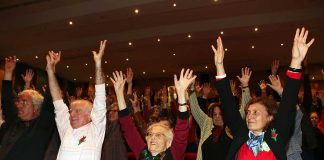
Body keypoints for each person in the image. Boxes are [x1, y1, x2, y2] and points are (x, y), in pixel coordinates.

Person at [212, 27, 314, 160]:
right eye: (248, 112)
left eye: (256, 112)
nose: (250, 116)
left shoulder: (275, 135)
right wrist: (219, 66)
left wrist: (296, 61)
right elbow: (228, 105)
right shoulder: (241, 133)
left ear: (270, 117)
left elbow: (288, 102)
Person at [111, 68, 192, 159]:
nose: (152, 137)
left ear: (168, 141)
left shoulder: (173, 154)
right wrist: (119, 94)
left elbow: (182, 130)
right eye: (149, 134)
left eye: (158, 135)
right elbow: (128, 127)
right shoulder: (143, 153)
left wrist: (181, 95)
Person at [46, 40, 107, 160]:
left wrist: (98, 63)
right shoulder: (66, 126)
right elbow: (57, 99)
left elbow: (100, 95)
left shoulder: (96, 131)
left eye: (77, 111)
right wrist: (50, 71)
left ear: (91, 115)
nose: (71, 114)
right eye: (71, 111)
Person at [0, 57, 55, 160]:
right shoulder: (14, 121)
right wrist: (8, 72)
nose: (19, 105)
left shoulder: (41, 127)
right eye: (18, 101)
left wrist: (51, 72)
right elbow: (7, 99)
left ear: (35, 107)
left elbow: (49, 102)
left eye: (24, 102)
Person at [189, 87, 232, 160]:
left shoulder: (230, 127)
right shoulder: (207, 123)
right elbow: (195, 109)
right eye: (215, 114)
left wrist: (245, 88)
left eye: (220, 114)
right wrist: (191, 89)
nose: (217, 117)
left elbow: (243, 111)